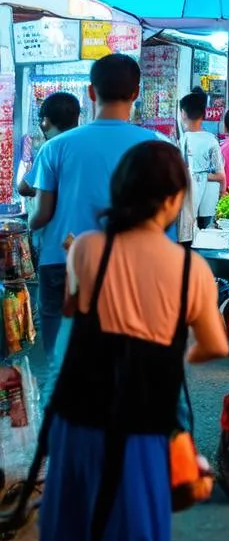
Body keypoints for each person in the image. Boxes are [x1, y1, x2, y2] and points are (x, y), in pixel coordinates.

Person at [32, 141, 229, 541]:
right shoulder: (191, 269)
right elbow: (214, 345)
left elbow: (76, 313)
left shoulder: (87, 249)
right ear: (172, 199)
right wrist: (168, 358)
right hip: (144, 427)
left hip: (77, 418)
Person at [28, 55, 159, 362]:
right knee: (117, 358)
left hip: (62, 262)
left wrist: (30, 224)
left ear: (90, 92)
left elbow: (41, 215)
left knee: (61, 360)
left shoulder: (54, 147)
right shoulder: (156, 147)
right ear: (136, 93)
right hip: (128, 264)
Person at [178, 92, 226, 244]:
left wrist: (195, 175)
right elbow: (221, 176)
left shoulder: (181, 141)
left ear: (183, 114)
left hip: (186, 208)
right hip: (207, 208)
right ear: (204, 114)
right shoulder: (211, 140)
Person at [18, 93, 81, 199]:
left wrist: (49, 191)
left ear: (46, 121)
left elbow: (23, 188)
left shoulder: (51, 148)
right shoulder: (85, 144)